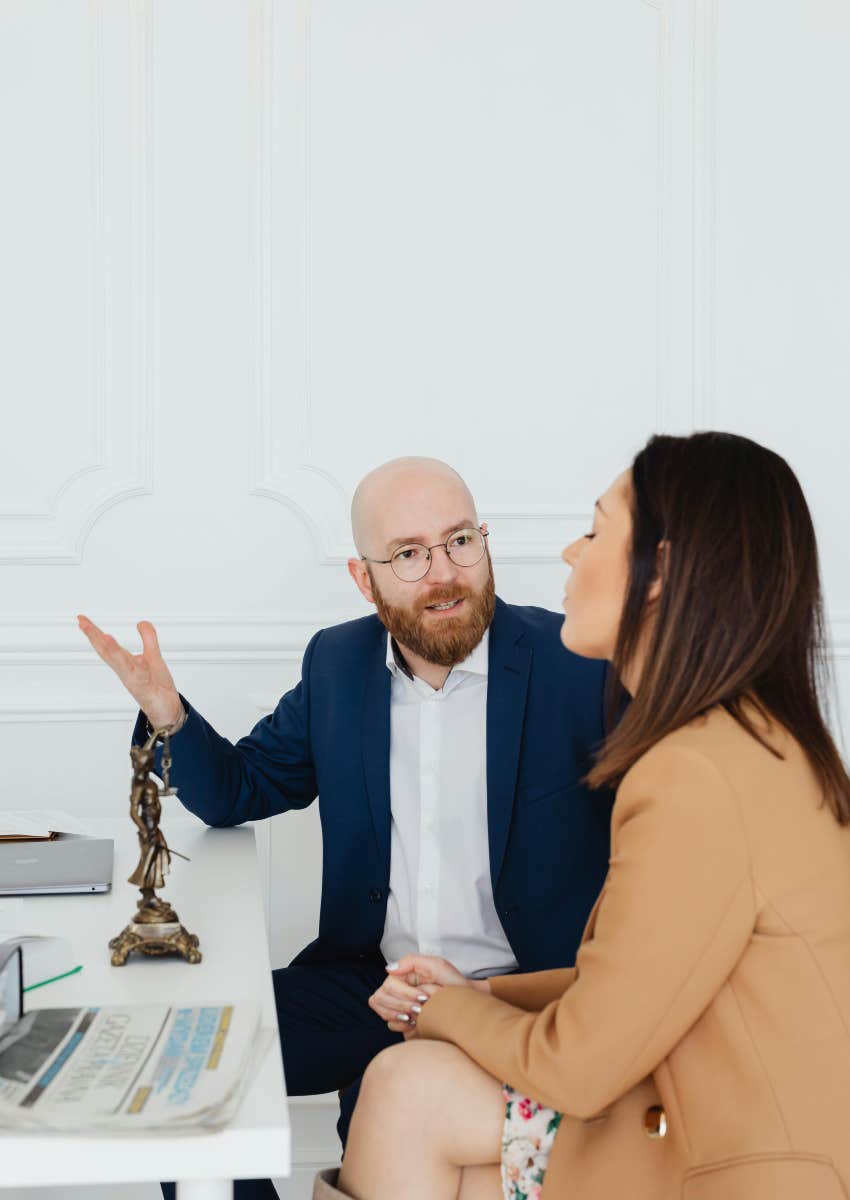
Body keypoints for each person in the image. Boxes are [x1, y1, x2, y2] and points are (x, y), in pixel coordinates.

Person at [321, 433, 850, 1200]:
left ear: (661, 572)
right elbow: (648, 974)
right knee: (424, 1110)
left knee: (406, 1091)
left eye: (597, 530)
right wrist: (482, 997)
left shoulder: (694, 773)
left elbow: (577, 1065)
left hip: (741, 1153)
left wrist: (442, 1008)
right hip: (718, 1104)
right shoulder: (745, 736)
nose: (571, 552)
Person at [77, 456, 613, 1200]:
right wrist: (169, 716)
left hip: (520, 998)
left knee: (379, 1123)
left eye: (461, 540)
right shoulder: (339, 664)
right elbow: (242, 787)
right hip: (376, 987)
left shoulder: (577, 664)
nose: (444, 572)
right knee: (182, 1061)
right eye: (409, 554)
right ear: (365, 580)